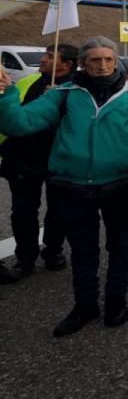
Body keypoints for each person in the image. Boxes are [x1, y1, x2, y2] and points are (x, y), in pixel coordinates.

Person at [0, 36, 128, 337]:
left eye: (108, 59)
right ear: (83, 64)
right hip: (71, 186)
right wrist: (6, 95)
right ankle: (85, 305)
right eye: (95, 60)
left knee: (120, 246)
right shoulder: (61, 95)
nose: (102, 66)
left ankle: (116, 301)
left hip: (122, 186)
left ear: (116, 61)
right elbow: (19, 125)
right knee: (83, 250)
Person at [0, 44, 77, 281]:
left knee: (59, 210)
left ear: (67, 64)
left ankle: (53, 251)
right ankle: (26, 258)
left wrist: (58, 102)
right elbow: (16, 116)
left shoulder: (78, 88)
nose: (43, 60)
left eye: (50, 57)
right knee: (23, 212)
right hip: (23, 159)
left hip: (58, 159)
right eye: (45, 55)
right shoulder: (29, 82)